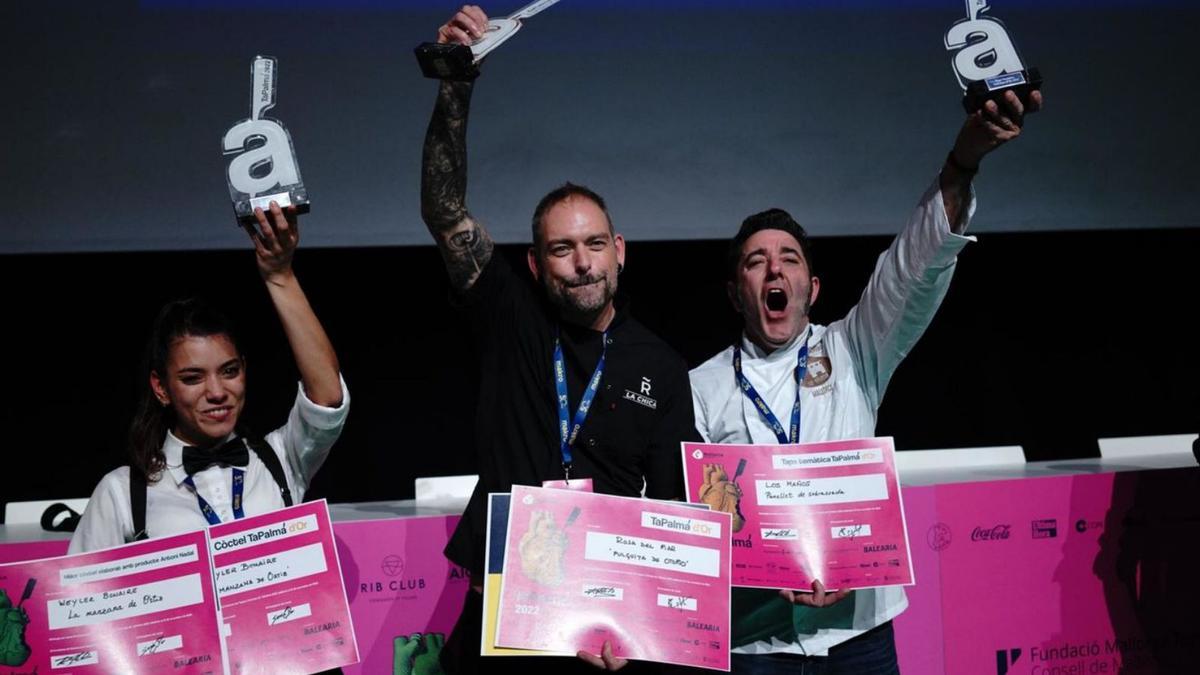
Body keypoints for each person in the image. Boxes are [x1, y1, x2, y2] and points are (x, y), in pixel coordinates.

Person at [689, 90, 1043, 673]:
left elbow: (913, 267)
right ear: (735, 292)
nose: (774, 268)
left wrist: (963, 163)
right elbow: (698, 515)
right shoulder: (700, 386)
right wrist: (759, 566)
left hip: (860, 637)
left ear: (813, 288)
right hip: (756, 641)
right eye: (756, 261)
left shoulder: (854, 349)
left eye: (790, 258)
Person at [419, 6, 698, 672]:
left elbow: (672, 512)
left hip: (604, 625)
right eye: (563, 248)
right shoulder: (515, 317)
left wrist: (634, 622)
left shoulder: (658, 364)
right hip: (504, 614)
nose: (582, 261)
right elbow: (444, 210)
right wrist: (456, 85)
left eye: (596, 243)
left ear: (620, 251)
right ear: (537, 265)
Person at [70, 203, 348, 553]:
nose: (217, 392)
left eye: (229, 371)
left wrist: (280, 276)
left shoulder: (281, 458)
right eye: (192, 378)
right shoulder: (121, 493)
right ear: (161, 388)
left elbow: (326, 397)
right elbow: (83, 602)